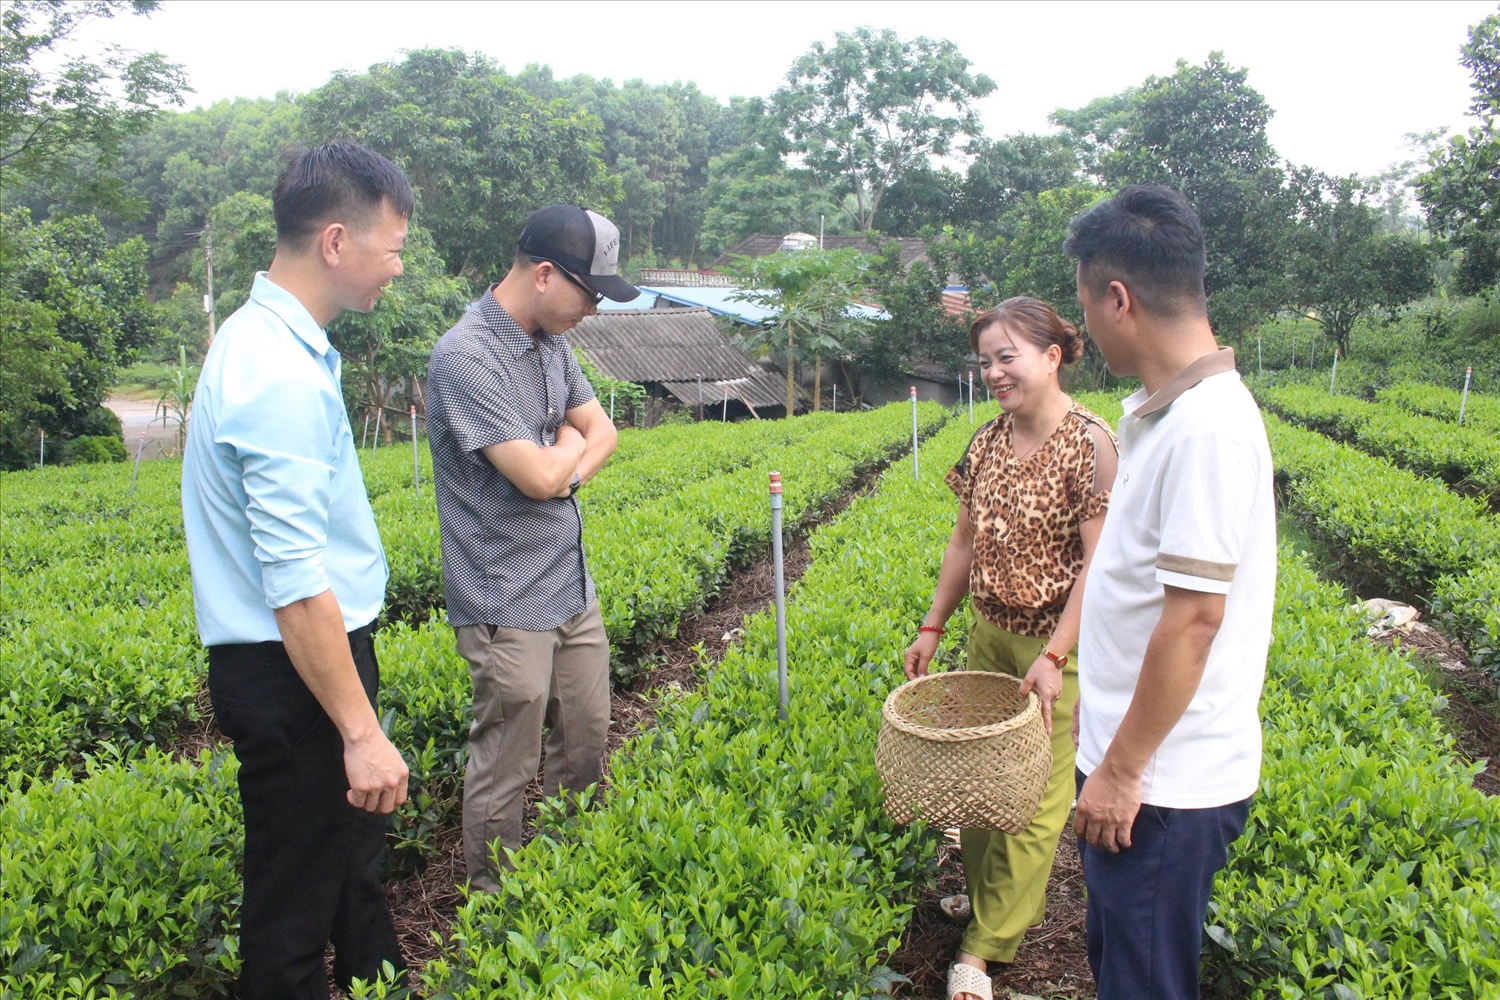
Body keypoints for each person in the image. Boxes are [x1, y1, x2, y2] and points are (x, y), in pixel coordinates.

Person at [181, 142, 413, 999]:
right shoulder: (274, 371)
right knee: (290, 917)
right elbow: (296, 580)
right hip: (297, 673)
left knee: (348, 875)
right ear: (336, 242)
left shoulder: (276, 345)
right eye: (392, 246)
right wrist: (358, 732)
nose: (398, 265)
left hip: (311, 663)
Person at [1065, 185, 1275, 1000]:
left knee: (1144, 983)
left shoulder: (1207, 428)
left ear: (1117, 300)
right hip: (1137, 768)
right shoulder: (1164, 414)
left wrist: (1120, 769)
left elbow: (1192, 623)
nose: (1084, 325)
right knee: (1121, 962)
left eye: (1084, 305)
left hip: (1164, 786)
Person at [904, 297, 1118, 1000]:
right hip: (988, 636)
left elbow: (1099, 565)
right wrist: (933, 625)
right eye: (986, 360)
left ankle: (986, 947)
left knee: (1032, 799)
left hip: (1056, 646)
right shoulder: (987, 440)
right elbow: (963, 543)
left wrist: (1054, 656)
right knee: (982, 784)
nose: (994, 372)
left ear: (1052, 356)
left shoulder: (1091, 444)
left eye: (1008, 357)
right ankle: (991, 902)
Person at [424, 204, 637, 893]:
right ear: (545, 275)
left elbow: (600, 433)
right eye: (591, 292)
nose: (595, 310)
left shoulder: (553, 341)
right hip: (505, 597)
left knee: (585, 741)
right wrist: (565, 455)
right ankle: (496, 905)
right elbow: (540, 476)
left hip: (570, 586)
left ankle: (566, 882)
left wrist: (564, 453)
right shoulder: (465, 356)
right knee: (505, 766)